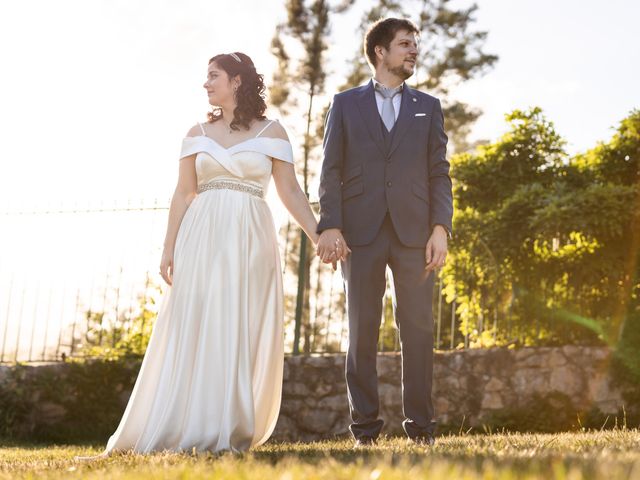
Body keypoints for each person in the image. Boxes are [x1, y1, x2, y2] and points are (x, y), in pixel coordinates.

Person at [76, 52, 319, 459]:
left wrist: (317, 234)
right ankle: (186, 420)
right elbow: (184, 192)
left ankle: (227, 424)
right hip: (201, 235)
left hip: (250, 236)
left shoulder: (273, 131)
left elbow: (289, 191)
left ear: (237, 81)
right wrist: (169, 247)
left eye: (214, 76)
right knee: (194, 323)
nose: (206, 84)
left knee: (236, 323)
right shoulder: (197, 131)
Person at [316, 18, 453, 447]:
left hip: (415, 233)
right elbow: (330, 169)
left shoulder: (428, 107)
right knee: (361, 331)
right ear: (380, 52)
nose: (414, 51)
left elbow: (439, 173)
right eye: (405, 44)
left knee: (418, 330)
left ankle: (422, 429)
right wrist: (331, 224)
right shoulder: (345, 103)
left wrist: (440, 228)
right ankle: (366, 431)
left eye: (415, 45)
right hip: (361, 232)